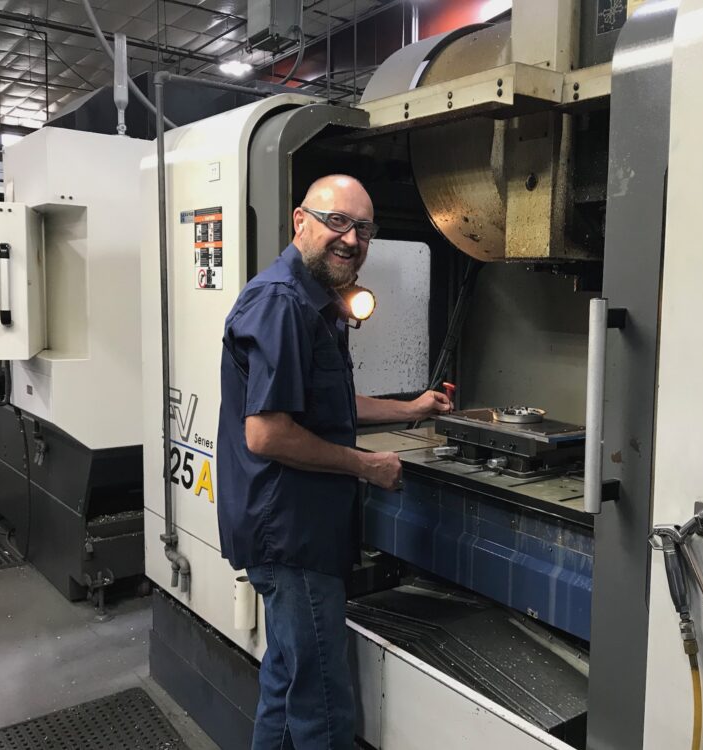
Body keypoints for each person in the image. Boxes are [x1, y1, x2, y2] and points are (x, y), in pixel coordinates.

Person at [216, 174, 451, 749]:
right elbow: (267, 434)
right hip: (291, 535)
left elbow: (329, 404)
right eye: (337, 222)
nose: (351, 239)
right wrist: (366, 467)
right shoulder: (282, 304)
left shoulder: (315, 302)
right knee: (322, 704)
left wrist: (412, 407)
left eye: (364, 229)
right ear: (301, 221)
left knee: (286, 683)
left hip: (297, 531)